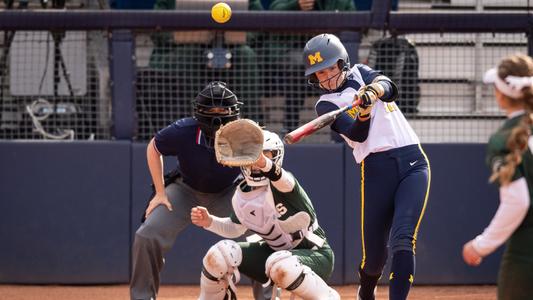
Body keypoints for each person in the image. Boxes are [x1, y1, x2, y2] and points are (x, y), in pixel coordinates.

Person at [302, 33, 431, 300]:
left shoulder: (361, 73)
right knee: (374, 258)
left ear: (342, 63)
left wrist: (372, 91)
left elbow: (389, 86)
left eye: (329, 69)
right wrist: (363, 112)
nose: (325, 77)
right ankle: (367, 290)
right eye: (319, 73)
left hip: (412, 163)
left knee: (404, 239)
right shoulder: (325, 105)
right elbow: (357, 134)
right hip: (375, 169)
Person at [190, 130, 340, 300]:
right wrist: (210, 221)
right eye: (252, 156)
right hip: (274, 256)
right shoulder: (241, 196)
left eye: (264, 155)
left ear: (276, 157)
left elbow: (280, 177)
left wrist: (264, 163)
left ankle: (327, 297)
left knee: (280, 265)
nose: (256, 162)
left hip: (316, 254)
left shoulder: (285, 184)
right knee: (219, 254)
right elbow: (234, 228)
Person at [130, 81, 243, 300]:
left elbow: (265, 159)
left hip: (229, 193)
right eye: (211, 110)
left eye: (222, 110)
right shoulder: (184, 130)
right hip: (185, 191)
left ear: (234, 112)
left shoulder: (244, 133)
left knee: (262, 237)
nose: (217, 116)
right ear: (199, 113)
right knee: (147, 235)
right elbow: (154, 147)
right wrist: (160, 193)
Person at [462, 53, 533, 300]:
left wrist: (481, 245)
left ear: (501, 93)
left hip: (526, 257)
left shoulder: (504, 139)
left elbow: (518, 202)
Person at [267, 0, 355, 133]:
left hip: (333, 54)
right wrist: (296, 6)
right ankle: (290, 125)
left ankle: (342, 127)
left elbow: (354, 22)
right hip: (303, 52)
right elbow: (274, 11)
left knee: (338, 71)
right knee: (297, 65)